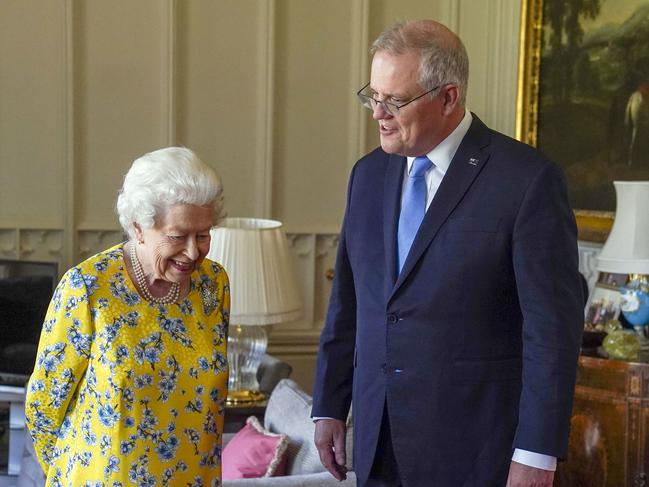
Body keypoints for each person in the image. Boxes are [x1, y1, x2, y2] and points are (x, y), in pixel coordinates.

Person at [312, 20, 584, 487]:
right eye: (372, 96)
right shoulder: (368, 175)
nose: (378, 112)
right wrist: (329, 407)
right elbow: (350, 303)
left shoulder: (526, 180)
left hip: (476, 449)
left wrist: (537, 453)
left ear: (449, 97)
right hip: (378, 442)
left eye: (394, 100)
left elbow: (552, 331)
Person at [25, 147, 230, 486]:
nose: (193, 252)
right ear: (139, 227)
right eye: (177, 237)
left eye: (204, 235)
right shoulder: (88, 288)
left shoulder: (213, 285)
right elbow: (43, 406)